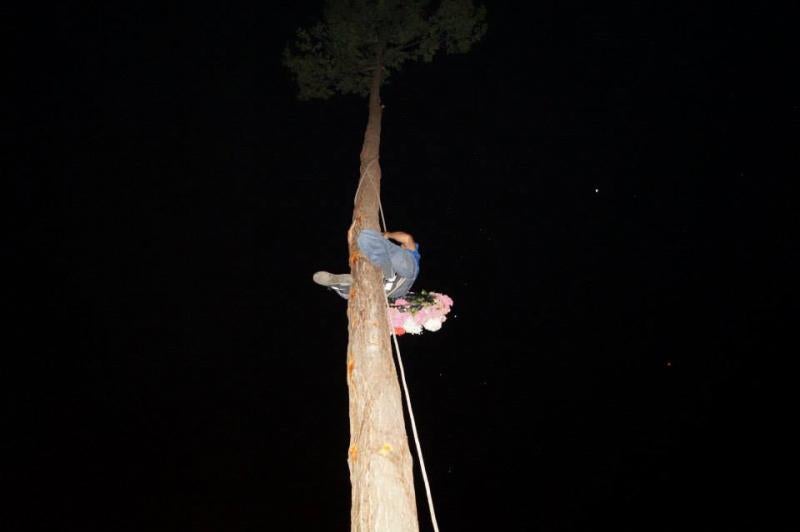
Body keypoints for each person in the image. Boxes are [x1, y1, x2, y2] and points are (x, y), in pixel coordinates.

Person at [313, 229, 420, 300]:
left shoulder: (412, 252)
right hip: (392, 292)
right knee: (364, 286)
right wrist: (352, 242)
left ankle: (389, 277)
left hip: (407, 274)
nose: (401, 245)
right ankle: (343, 286)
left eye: (402, 245)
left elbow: (407, 238)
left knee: (368, 237)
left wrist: (388, 234)